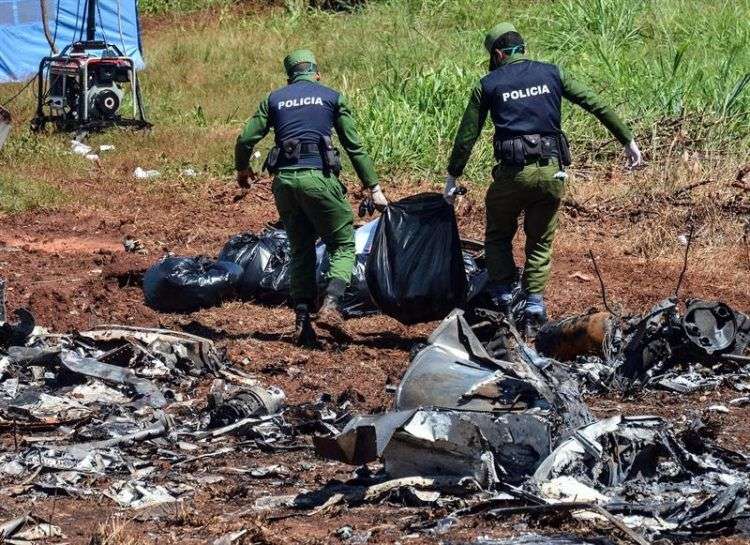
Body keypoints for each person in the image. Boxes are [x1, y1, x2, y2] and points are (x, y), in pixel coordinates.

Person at [444, 22, 643, 334]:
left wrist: (453, 176)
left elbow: (467, 135)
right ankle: (534, 302)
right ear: (523, 49)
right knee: (540, 240)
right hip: (552, 173)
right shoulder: (553, 73)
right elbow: (596, 104)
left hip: (511, 175)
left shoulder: (488, 83)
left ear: (497, 54)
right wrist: (627, 140)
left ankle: (505, 296)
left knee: (498, 235)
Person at [235, 49, 387, 346]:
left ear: (290, 77)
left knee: (300, 248)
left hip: (285, 184)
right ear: (317, 73)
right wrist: (374, 188)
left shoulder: (275, 99)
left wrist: (243, 169)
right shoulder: (332, 97)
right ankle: (331, 304)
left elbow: (245, 139)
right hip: (319, 180)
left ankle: (302, 320)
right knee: (342, 243)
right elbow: (354, 147)